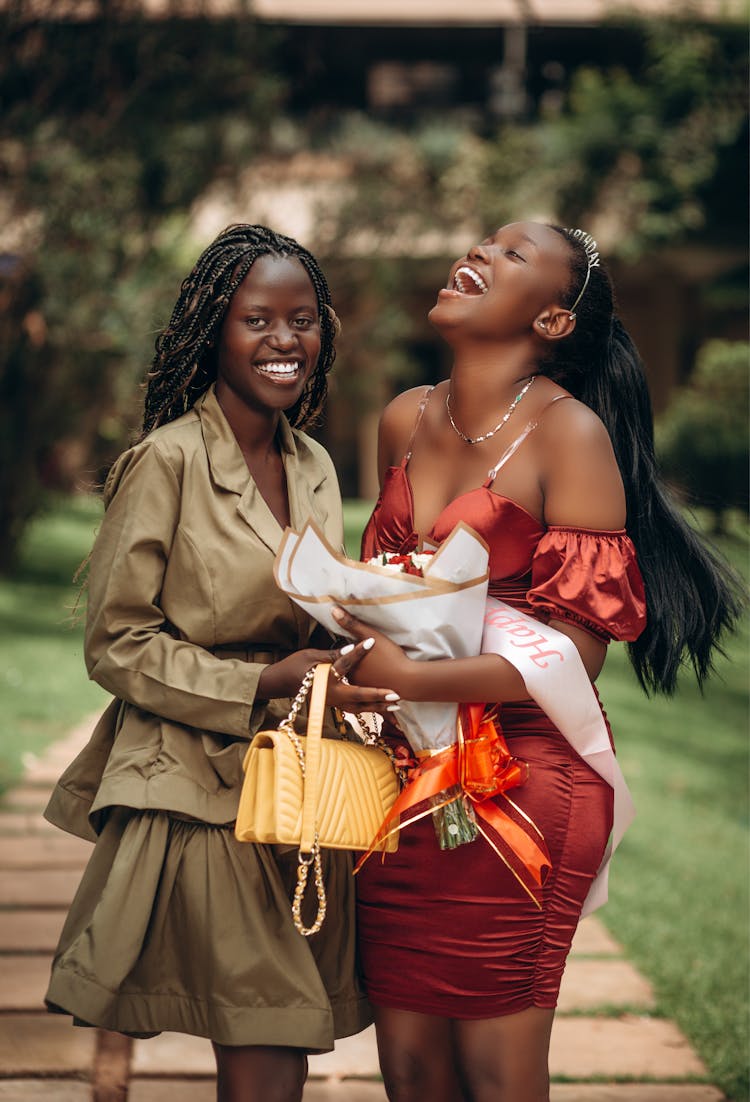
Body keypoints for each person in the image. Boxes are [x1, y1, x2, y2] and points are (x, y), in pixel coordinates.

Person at [329, 221, 743, 1102]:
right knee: (408, 1067)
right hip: (405, 774)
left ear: (553, 320)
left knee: (494, 1068)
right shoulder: (404, 416)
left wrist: (412, 679)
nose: (476, 252)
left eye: (510, 254)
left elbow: (579, 651)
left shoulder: (570, 435)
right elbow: (389, 586)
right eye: (479, 241)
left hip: (524, 782)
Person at [43, 224, 399, 1102]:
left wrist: (354, 646)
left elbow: (306, 609)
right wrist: (256, 683)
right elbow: (116, 641)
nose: (286, 341)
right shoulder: (163, 461)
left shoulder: (312, 462)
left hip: (301, 777)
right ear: (214, 331)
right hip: (192, 777)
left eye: (304, 319)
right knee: (267, 1024)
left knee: (276, 1026)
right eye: (259, 320)